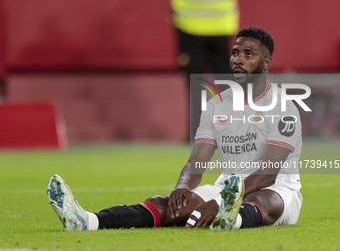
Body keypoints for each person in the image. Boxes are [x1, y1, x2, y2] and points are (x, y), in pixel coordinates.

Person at [47, 27, 303, 231]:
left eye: (249, 54)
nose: (238, 60)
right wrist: (182, 187)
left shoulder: (283, 107)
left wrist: (220, 203)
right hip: (227, 188)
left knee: (263, 202)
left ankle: (231, 219)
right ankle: (88, 221)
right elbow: (197, 162)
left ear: (267, 63)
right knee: (173, 206)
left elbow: (268, 174)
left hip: (278, 190)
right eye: (235, 52)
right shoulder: (216, 105)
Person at [170, 0, 240, 141]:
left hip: (193, 24)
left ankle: (202, 133)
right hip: (213, 23)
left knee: (203, 85)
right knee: (224, 84)